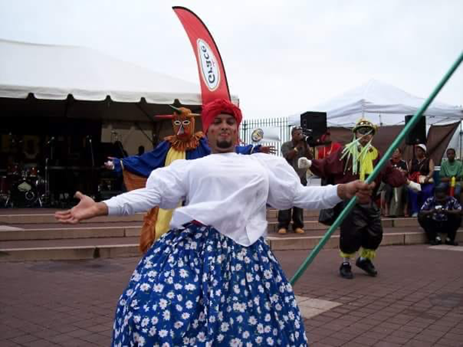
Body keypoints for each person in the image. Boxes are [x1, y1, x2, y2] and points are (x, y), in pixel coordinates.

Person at [56, 98, 374, 346]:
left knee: (250, 329)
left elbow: (300, 197)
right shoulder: (190, 168)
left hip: (247, 259)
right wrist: (101, 207)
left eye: (230, 122)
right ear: (206, 132)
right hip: (190, 254)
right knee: (153, 315)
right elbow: (148, 197)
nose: (224, 127)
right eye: (218, 122)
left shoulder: (263, 165)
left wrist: (342, 190)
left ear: (237, 130)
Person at [104, 106, 275, 253]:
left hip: (196, 199)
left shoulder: (201, 143)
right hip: (172, 198)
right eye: (177, 123)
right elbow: (147, 160)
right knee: (162, 229)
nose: (181, 128)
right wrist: (121, 163)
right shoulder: (168, 145)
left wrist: (254, 148)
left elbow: (229, 150)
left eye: (185, 123)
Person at [299, 118, 414, 280]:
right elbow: (327, 164)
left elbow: (388, 172)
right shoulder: (345, 151)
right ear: (355, 133)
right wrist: (310, 163)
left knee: (376, 232)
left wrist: (408, 182)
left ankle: (364, 259)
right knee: (350, 233)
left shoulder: (376, 154)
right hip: (349, 200)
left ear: (372, 135)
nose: (365, 135)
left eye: (368, 132)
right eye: (362, 131)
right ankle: (345, 263)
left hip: (368, 200)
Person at [277, 126, 312, 235]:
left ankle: (298, 225)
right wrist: (297, 148)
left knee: (299, 201)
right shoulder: (286, 145)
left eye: (301, 133)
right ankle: (283, 225)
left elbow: (310, 157)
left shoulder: (304, 145)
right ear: (292, 135)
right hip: (287, 177)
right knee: (285, 201)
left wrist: (305, 146)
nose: (300, 135)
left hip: (301, 177)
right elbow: (287, 156)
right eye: (298, 134)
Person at [408, 144, 435, 217]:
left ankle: (426, 210)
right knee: (412, 192)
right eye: (416, 151)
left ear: (424, 152)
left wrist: (427, 177)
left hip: (426, 182)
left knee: (427, 191)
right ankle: (415, 211)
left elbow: (431, 171)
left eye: (419, 151)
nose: (417, 152)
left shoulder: (429, 160)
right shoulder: (412, 161)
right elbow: (409, 172)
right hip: (415, 182)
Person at [383, 148, 409, 217]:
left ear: (400, 154)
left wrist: (401, 172)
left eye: (396, 152)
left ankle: (405, 210)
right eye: (393, 151)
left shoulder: (403, 162)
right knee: (388, 189)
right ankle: (386, 209)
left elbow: (406, 172)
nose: (395, 153)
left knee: (406, 190)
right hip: (390, 181)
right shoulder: (388, 162)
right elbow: (386, 172)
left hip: (401, 182)